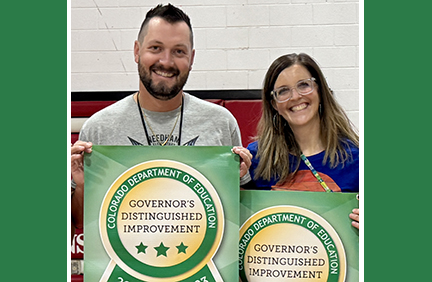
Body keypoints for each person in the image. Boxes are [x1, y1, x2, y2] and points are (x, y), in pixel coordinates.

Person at [71, 4, 252, 233]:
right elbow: (80, 222)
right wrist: (83, 186)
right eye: (156, 48)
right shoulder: (99, 128)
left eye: (179, 51)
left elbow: (242, 218)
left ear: (192, 57)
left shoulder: (221, 123)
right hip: (125, 267)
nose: (166, 61)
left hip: (202, 265)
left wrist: (234, 184)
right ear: (137, 51)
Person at [245, 53, 360, 229]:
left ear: (320, 90)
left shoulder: (357, 159)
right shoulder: (256, 159)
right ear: (274, 104)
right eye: (283, 91)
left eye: (304, 85)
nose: (295, 96)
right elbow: (237, 224)